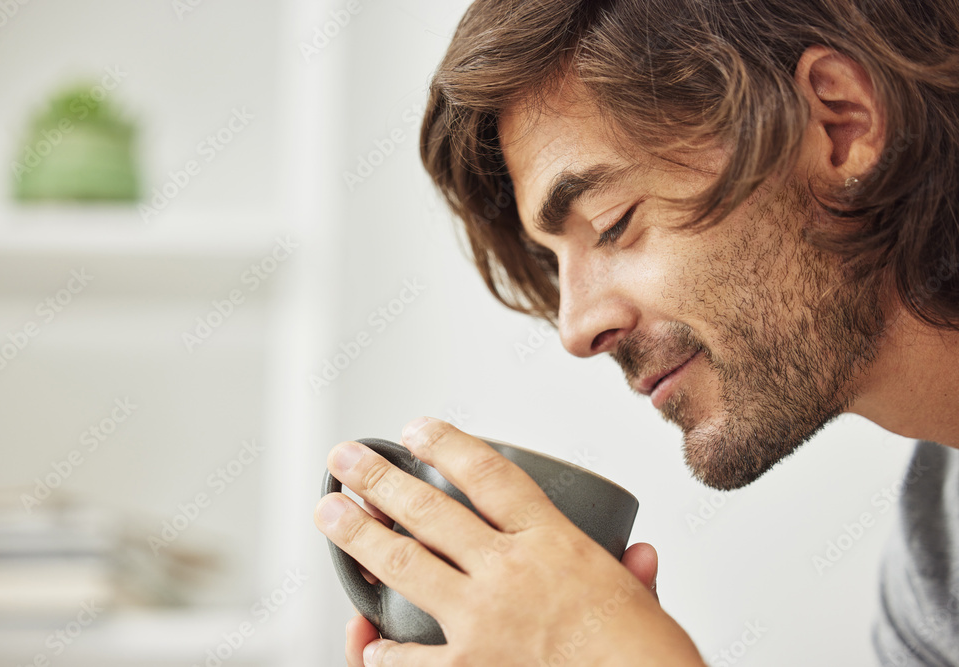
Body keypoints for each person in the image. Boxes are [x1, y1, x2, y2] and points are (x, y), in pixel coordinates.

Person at [314, 0, 959, 664]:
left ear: (842, 121)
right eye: (554, 261)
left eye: (613, 221)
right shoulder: (935, 546)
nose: (575, 327)